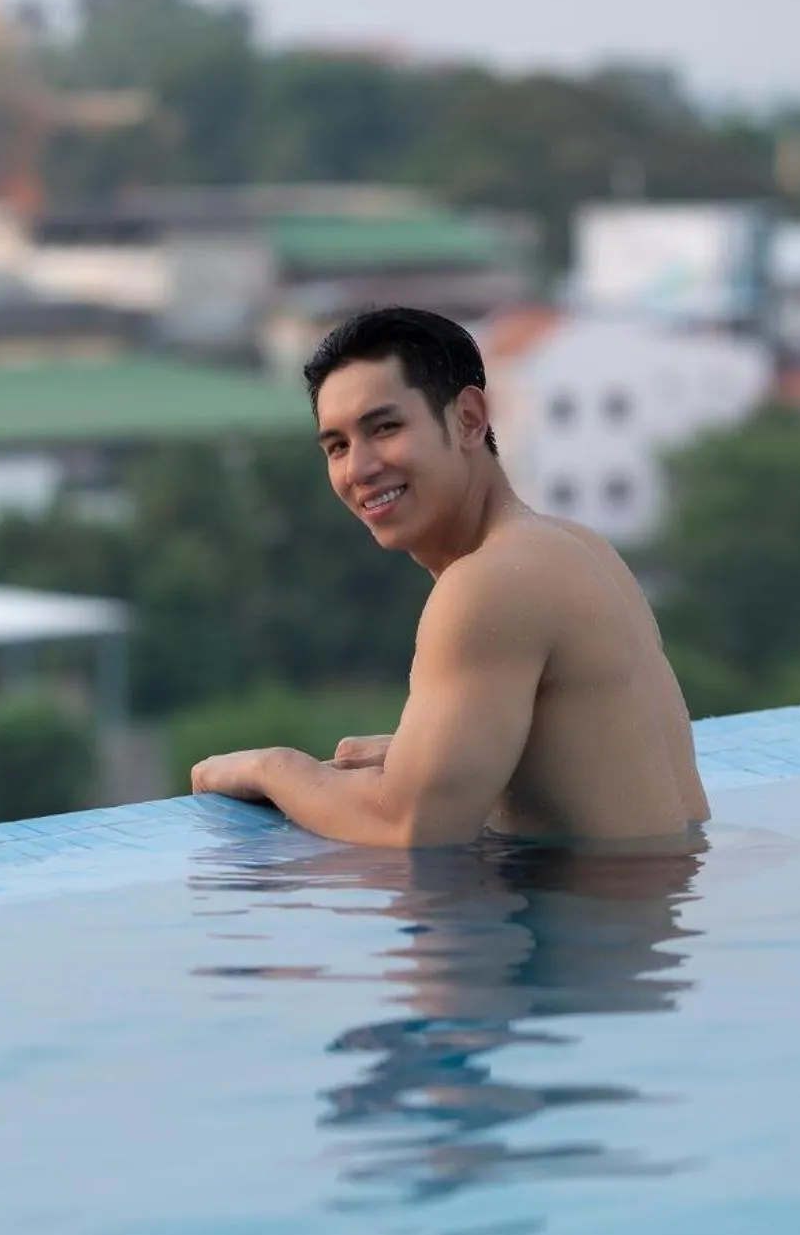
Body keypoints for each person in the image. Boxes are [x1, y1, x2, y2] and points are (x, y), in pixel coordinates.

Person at [189, 305, 709, 846]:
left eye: (385, 428)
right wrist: (431, 753)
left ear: (467, 419)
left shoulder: (490, 584)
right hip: (656, 903)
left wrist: (273, 768)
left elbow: (411, 826)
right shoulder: (577, 546)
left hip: (586, 923)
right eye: (337, 446)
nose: (359, 469)